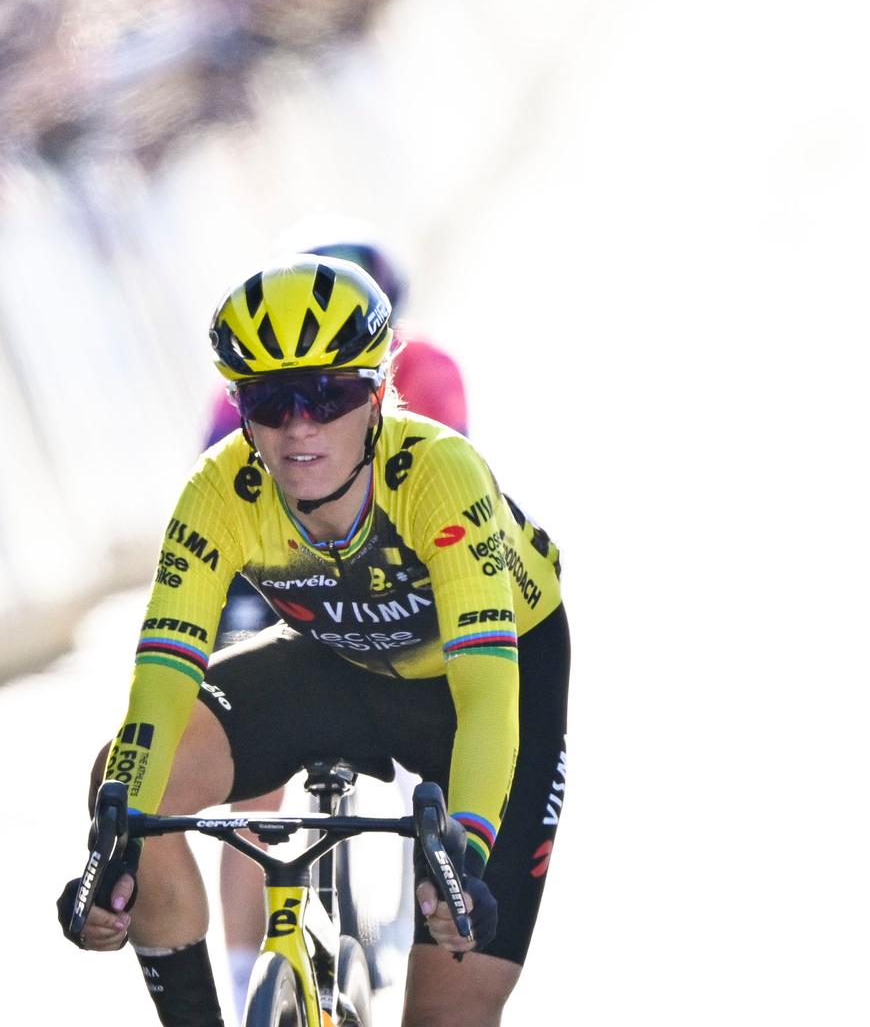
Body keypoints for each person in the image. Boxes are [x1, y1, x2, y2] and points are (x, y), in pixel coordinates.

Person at [61, 256, 568, 1027]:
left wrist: (462, 847)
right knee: (126, 789)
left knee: (447, 1014)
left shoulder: (438, 473)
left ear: (375, 396)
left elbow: (489, 699)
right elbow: (158, 690)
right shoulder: (217, 492)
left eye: (327, 393)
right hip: (340, 659)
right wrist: (114, 849)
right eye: (270, 400)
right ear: (240, 407)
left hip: (488, 686)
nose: (299, 424)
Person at [198, 236, 469, 1014]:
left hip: (286, 573)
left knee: (254, 795)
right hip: (299, 572)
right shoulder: (422, 369)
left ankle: (246, 972)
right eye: (280, 399)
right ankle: (260, 974)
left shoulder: (243, 395)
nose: (301, 415)